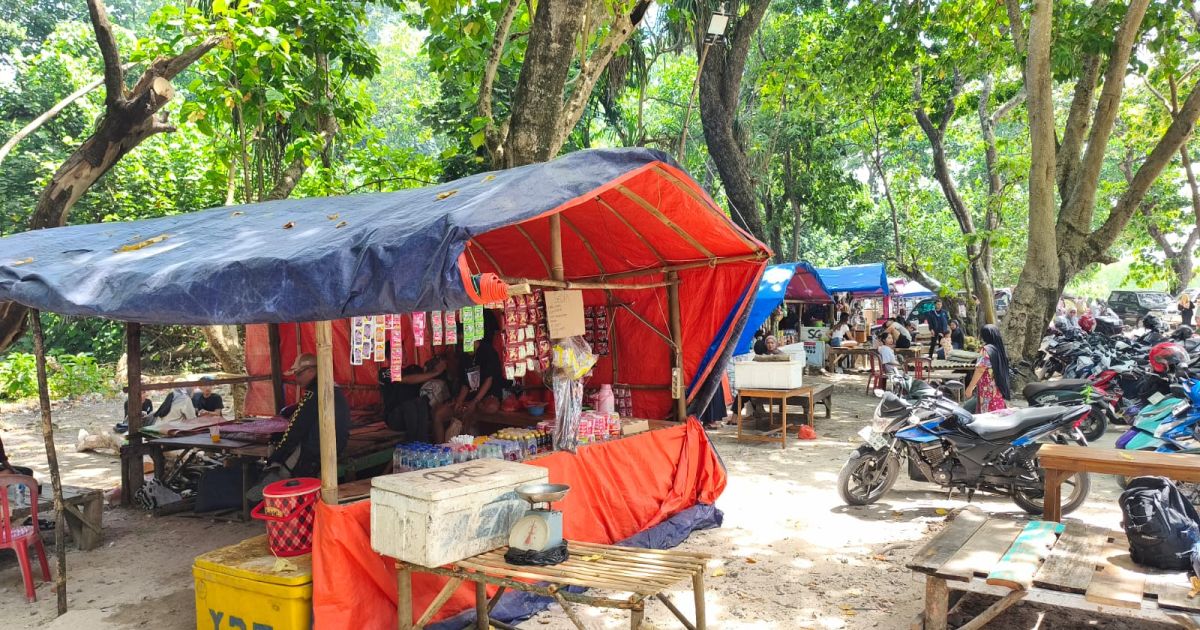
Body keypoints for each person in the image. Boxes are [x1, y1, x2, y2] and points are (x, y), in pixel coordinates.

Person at [266, 353, 350, 479]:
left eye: (298, 374)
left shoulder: (314, 393)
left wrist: (277, 455)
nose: (296, 378)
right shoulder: (331, 388)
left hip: (317, 451)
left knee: (280, 472)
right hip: (336, 446)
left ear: (311, 371)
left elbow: (297, 427)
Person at [964, 325, 1012, 413]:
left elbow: (980, 369)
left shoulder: (986, 350)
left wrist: (970, 387)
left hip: (987, 388)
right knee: (997, 411)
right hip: (998, 386)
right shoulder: (1000, 349)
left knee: (988, 413)